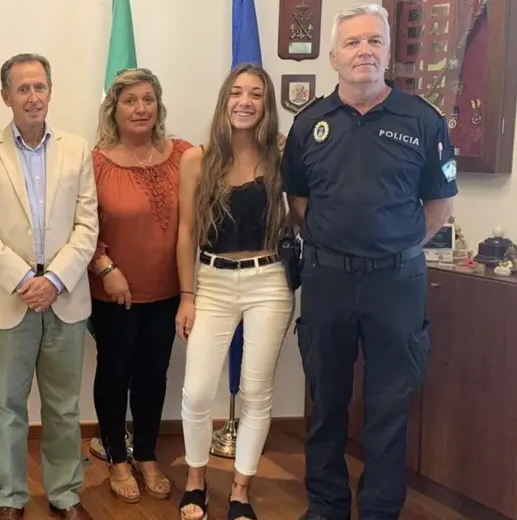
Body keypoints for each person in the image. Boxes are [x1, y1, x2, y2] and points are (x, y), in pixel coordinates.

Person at [282, 5, 457, 520]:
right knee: (325, 401)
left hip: (396, 283)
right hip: (328, 279)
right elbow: (299, 202)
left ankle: (380, 509)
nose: (364, 51)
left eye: (374, 41)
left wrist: (394, 246)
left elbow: (440, 204)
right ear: (333, 57)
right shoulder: (309, 123)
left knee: (389, 406)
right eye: (353, 42)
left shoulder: (422, 120)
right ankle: (327, 506)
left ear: (388, 53)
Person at [0, 53, 99, 520]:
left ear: (50, 91)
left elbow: (87, 226)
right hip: (9, 298)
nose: (33, 96)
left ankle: (65, 494)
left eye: (40, 87)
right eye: (23, 89)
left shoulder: (78, 149)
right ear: (6, 97)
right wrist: (25, 281)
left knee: (63, 407)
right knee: (8, 408)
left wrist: (54, 280)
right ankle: (12, 498)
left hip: (65, 297)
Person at [175, 63, 294, 520]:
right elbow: (187, 231)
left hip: (268, 280)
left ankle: (241, 490)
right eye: (237, 92)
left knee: (255, 392)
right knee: (197, 392)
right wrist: (187, 296)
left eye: (256, 94)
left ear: (266, 105)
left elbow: (301, 212)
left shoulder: (280, 155)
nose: (245, 102)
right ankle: (196, 481)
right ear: (225, 99)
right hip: (213, 282)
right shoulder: (197, 159)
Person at [88, 67, 192, 504]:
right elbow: (80, 226)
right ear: (114, 109)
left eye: (148, 99)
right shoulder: (95, 162)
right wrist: (105, 266)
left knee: (153, 375)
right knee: (114, 374)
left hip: (167, 291)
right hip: (114, 292)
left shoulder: (183, 155)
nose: (141, 108)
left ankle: (146, 455)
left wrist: (275, 145)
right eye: (130, 100)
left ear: (159, 105)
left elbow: (229, 165)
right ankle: (116, 458)